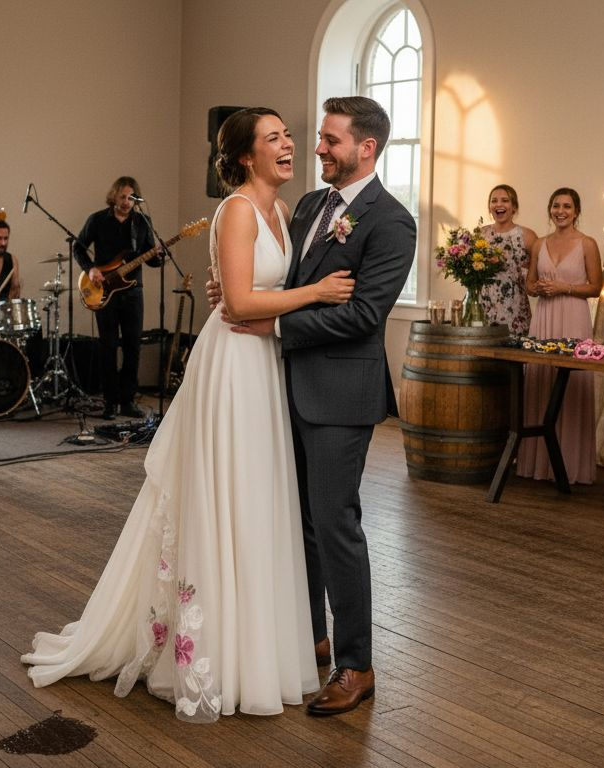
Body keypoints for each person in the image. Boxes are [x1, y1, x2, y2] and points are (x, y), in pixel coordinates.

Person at [23, 107, 355, 722]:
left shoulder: (285, 211)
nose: (289, 144)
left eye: (288, 135)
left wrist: (257, 291)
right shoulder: (236, 210)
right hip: (235, 364)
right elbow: (240, 302)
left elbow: (247, 289)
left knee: (260, 499)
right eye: (274, 138)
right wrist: (317, 291)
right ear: (247, 157)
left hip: (268, 362)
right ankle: (214, 652)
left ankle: (256, 645)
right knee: (229, 493)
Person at [222, 96, 416, 716]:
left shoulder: (392, 222)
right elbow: (281, 284)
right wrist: (237, 289)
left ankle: (356, 665)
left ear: (366, 147)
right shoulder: (308, 206)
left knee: (335, 524)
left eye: (331, 140)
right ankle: (311, 638)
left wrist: (276, 328)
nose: (318, 148)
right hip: (282, 385)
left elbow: (363, 317)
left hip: (339, 395)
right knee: (296, 521)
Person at [517, 188, 601, 484]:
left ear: (576, 211)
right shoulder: (540, 243)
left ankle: (570, 464)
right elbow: (529, 285)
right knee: (540, 380)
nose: (560, 211)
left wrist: (564, 287)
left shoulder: (587, 244)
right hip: (544, 318)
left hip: (574, 319)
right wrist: (538, 287)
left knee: (572, 384)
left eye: (566, 206)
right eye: (556, 206)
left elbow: (596, 287)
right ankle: (538, 464)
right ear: (550, 210)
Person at [73, 177, 161, 420]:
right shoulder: (97, 220)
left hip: (133, 292)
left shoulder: (142, 222)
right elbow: (78, 248)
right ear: (114, 196)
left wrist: (159, 256)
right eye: (122, 197)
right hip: (105, 291)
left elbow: (151, 259)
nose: (126, 202)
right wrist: (90, 268)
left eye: (131, 197)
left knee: (133, 346)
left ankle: (127, 401)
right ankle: (110, 402)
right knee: (108, 347)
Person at [478, 184, 537, 335]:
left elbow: (537, 273)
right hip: (483, 307)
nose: (499, 204)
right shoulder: (481, 234)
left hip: (515, 310)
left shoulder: (527, 236)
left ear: (514, 207)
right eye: (494, 201)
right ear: (489, 207)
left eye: (505, 200)